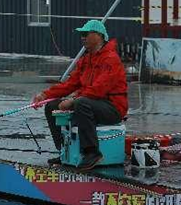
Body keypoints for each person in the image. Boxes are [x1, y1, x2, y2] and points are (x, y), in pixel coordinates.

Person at [32, 20, 128, 170]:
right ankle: (65, 151)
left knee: (81, 103)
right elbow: (70, 84)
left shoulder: (111, 59)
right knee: (52, 106)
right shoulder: (85, 60)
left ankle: (92, 152)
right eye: (81, 34)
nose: (82, 37)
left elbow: (99, 89)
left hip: (113, 108)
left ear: (99, 36)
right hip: (91, 103)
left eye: (85, 34)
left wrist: (72, 100)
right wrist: (44, 95)